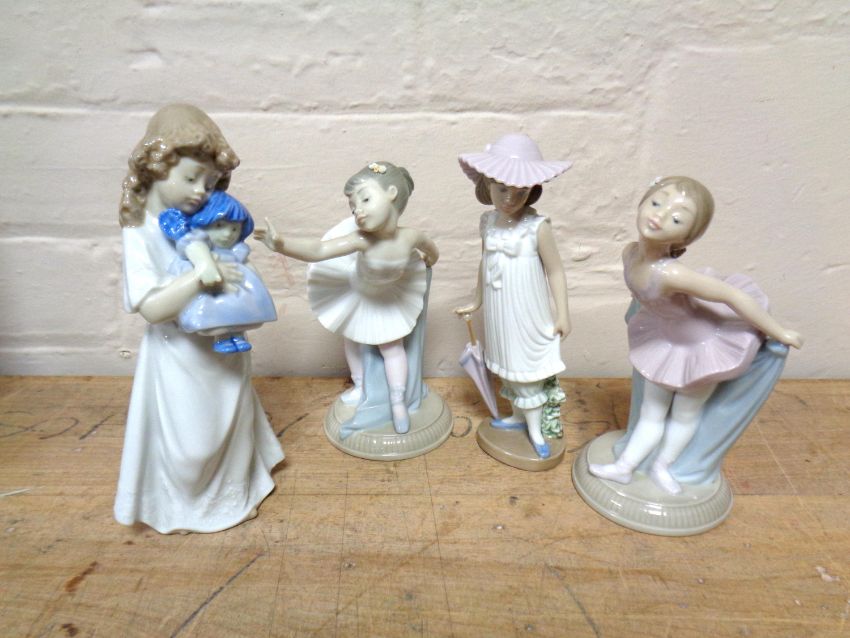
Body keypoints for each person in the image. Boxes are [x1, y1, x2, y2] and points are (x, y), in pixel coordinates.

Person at [115, 104, 283, 533]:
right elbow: (152, 307)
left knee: (231, 422)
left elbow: (231, 249)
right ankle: (187, 503)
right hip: (179, 352)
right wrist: (200, 275)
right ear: (155, 168)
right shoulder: (140, 231)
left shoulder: (199, 218)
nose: (200, 192)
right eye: (191, 178)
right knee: (192, 445)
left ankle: (233, 494)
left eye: (209, 183)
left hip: (223, 345)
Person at [588, 176, 802, 493]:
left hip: (702, 347)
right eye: (656, 202)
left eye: (677, 218)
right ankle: (624, 468)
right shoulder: (629, 253)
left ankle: (664, 466)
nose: (659, 216)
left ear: (687, 235)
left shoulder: (672, 273)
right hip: (664, 341)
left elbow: (732, 296)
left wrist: (779, 330)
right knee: (652, 412)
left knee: (685, 414)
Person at [256, 161, 438, 434]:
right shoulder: (361, 240)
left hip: (388, 297)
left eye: (365, 199)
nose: (358, 211)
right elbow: (319, 250)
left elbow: (431, 250)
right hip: (357, 291)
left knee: (392, 347)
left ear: (391, 193)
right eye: (353, 207)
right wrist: (282, 245)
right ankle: (360, 385)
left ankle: (397, 401)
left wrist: (429, 260)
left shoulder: (410, 237)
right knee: (351, 336)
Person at [454, 134, 572, 459]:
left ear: (532, 190)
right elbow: (485, 263)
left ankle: (535, 429)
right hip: (499, 308)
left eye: (520, 192)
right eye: (501, 189)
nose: (510, 199)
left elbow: (556, 271)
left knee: (527, 369)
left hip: (527, 308)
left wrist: (563, 313)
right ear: (487, 185)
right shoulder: (488, 222)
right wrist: (477, 299)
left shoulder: (537, 227)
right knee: (508, 365)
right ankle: (518, 416)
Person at [159, 190, 277, 353]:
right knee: (218, 319)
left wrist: (259, 286)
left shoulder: (238, 254)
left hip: (241, 295)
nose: (228, 234)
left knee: (240, 317)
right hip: (213, 296)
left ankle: (237, 335)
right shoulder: (201, 255)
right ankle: (222, 338)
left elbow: (251, 270)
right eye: (219, 226)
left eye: (235, 229)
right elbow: (183, 270)